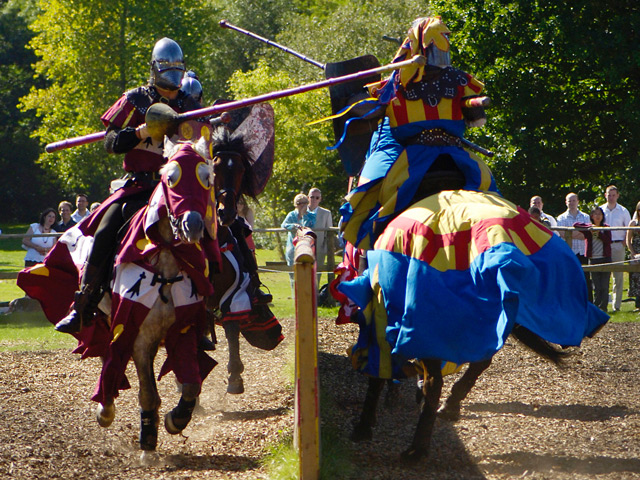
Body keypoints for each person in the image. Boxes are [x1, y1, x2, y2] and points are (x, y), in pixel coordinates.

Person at [54, 37, 201, 333]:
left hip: (177, 190)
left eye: (177, 67)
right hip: (140, 188)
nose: (172, 72)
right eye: (167, 66)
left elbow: (203, 139)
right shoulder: (135, 99)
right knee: (105, 231)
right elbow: (110, 142)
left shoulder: (189, 103)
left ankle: (214, 307)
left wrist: (216, 124)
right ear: (155, 68)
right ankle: (84, 304)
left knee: (211, 230)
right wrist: (140, 132)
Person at [338, 16, 498, 251]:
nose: (440, 59)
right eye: (435, 52)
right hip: (444, 151)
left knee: (370, 195)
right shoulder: (401, 81)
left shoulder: (447, 79)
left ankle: (366, 247)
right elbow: (477, 121)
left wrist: (354, 100)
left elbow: (476, 117)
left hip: (423, 155)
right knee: (488, 187)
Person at [600, 185, 631, 312]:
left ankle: (616, 305)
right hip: (603, 245)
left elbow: (629, 229)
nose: (611, 197)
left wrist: (624, 243)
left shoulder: (623, 211)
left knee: (618, 276)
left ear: (617, 196)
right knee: (603, 274)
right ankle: (602, 305)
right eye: (609, 195)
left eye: (613, 195)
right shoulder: (600, 210)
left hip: (618, 244)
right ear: (605, 195)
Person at [556, 193, 591, 301]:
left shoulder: (585, 217)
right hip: (569, 253)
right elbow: (562, 234)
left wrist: (570, 234)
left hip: (583, 252)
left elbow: (587, 234)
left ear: (578, 202)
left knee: (585, 278)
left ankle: (588, 302)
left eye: (574, 200)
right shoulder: (561, 218)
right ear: (566, 202)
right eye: (569, 201)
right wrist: (579, 233)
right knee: (569, 278)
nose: (571, 203)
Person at [577, 207, 612, 312]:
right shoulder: (589, 229)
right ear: (592, 216)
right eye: (595, 214)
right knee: (596, 286)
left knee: (604, 285)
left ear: (602, 216)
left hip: (605, 259)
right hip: (593, 259)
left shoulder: (606, 227)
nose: (597, 216)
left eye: (599, 214)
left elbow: (608, 241)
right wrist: (590, 227)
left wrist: (599, 233)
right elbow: (576, 225)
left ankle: (604, 307)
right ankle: (596, 307)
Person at [281, 194, 316, 289]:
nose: (302, 205)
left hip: (307, 247)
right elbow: (284, 225)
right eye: (299, 203)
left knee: (307, 272)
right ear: (295, 204)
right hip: (292, 248)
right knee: (293, 274)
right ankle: (294, 292)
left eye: (304, 202)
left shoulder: (311, 215)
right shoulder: (291, 215)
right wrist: (293, 226)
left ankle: (307, 292)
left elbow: (310, 225)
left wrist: (304, 215)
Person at [308, 187, 333, 287]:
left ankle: (315, 294)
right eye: (312, 197)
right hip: (303, 248)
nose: (314, 199)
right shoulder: (301, 211)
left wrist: (325, 248)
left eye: (317, 197)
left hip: (319, 249)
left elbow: (329, 233)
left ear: (320, 199)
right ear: (308, 197)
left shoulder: (326, 213)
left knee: (317, 276)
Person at [626, 201, 640, 313]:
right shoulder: (633, 223)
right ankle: (638, 304)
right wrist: (633, 253)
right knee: (636, 277)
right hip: (636, 252)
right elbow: (628, 240)